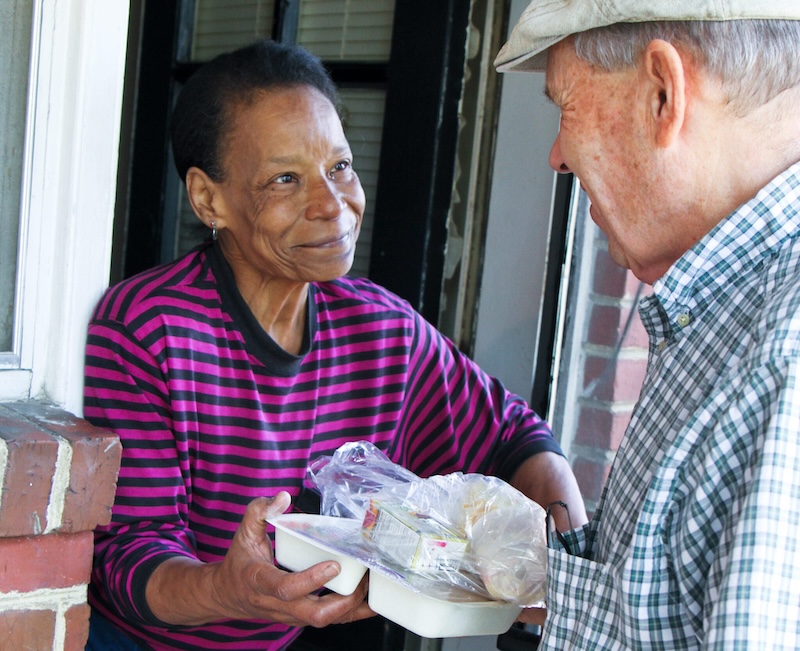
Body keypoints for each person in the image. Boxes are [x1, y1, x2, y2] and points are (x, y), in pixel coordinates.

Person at [83, 38, 586, 650]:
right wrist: (228, 588)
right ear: (209, 198)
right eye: (285, 179)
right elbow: (124, 559)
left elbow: (514, 438)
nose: (333, 205)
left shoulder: (380, 332)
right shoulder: (147, 328)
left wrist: (565, 574)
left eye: (340, 167)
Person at [494, 1, 800, 649]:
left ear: (663, 92)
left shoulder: (786, 351)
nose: (557, 156)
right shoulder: (725, 305)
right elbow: (663, 601)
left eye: (564, 106)